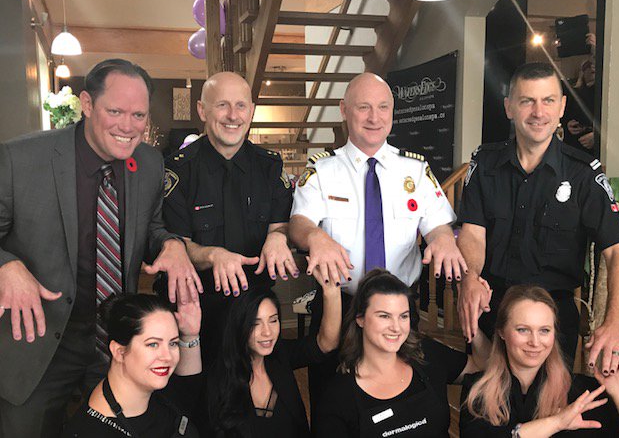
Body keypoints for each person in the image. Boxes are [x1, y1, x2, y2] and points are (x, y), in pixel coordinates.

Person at [0, 59, 201, 438]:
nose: (128, 126)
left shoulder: (150, 162)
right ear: (87, 105)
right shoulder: (19, 159)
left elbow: (152, 227)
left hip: (116, 342)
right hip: (38, 343)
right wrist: (6, 266)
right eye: (115, 111)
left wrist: (171, 244)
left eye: (138, 114)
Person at [289, 72, 466, 408]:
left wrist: (442, 238)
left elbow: (437, 225)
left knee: (402, 405)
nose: (374, 117)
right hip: (339, 309)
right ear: (344, 110)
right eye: (364, 107)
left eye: (383, 107)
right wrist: (315, 236)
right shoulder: (323, 170)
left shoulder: (414, 170)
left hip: (399, 312)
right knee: (334, 405)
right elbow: (298, 222)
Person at [457, 62, 619, 370]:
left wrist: (617, 323)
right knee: (485, 408)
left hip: (552, 318)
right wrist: (470, 278)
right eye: (527, 101)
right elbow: (473, 233)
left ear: (562, 106)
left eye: (548, 100)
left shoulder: (583, 176)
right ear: (509, 107)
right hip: (491, 307)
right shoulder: (484, 165)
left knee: (551, 410)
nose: (539, 112)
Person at [162, 71, 297, 366]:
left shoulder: (270, 167)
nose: (233, 115)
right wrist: (212, 255)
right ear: (202, 110)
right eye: (222, 105)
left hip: (258, 317)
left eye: (241, 106)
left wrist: (278, 237)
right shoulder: (178, 172)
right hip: (198, 313)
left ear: (251, 111)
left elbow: (280, 224)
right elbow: (177, 245)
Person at [313, 269, 489, 437]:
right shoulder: (338, 397)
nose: (396, 327)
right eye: (384, 316)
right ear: (360, 319)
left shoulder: (427, 355)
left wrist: (472, 323)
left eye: (403, 316)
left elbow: (483, 365)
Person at [460, 285, 619, 437]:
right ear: (502, 332)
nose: (535, 342)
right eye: (523, 330)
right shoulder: (477, 392)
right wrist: (557, 423)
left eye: (544, 330)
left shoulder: (585, 392)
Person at [206, 280, 341, 437]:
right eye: (255, 324)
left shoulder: (280, 356)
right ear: (239, 325)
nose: (268, 332)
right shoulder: (219, 380)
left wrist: (332, 290)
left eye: (273, 320)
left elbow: (326, 344)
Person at [63, 294, 202, 437]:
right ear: (119, 351)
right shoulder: (91, 431)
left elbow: (188, 394)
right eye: (153, 344)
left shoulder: (157, 389)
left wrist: (190, 335)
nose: (168, 356)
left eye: (173, 343)